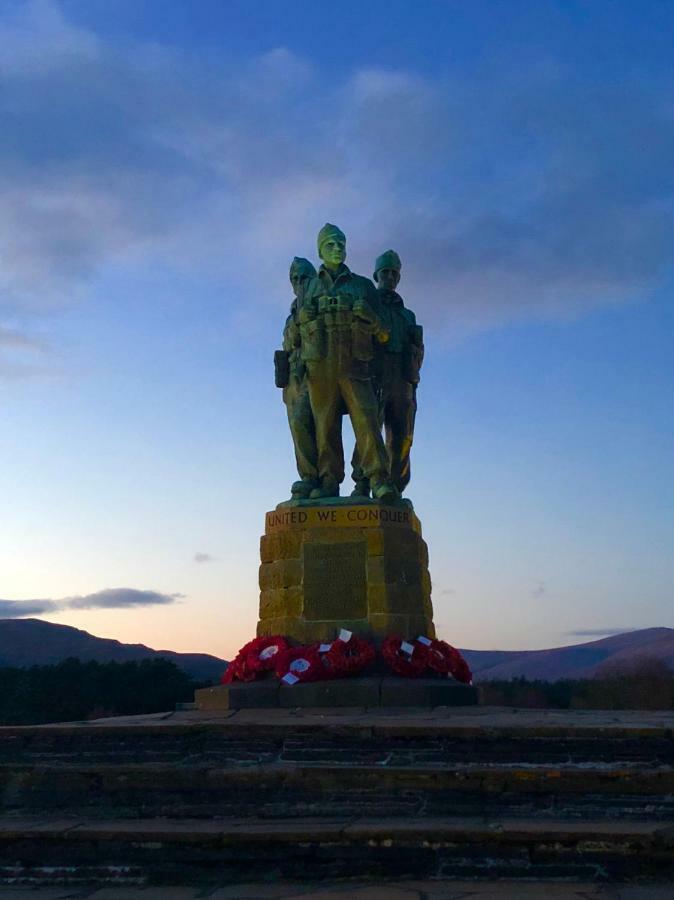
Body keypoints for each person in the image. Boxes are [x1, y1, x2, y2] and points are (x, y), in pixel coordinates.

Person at [299, 224, 398, 503]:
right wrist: (306, 317)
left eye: (341, 243)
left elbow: (385, 335)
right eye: (330, 244)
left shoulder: (364, 286)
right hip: (320, 364)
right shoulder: (309, 288)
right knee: (325, 425)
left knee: (366, 420)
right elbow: (297, 332)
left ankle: (378, 479)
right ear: (320, 250)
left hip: (356, 363)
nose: (338, 248)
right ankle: (329, 481)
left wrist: (371, 318)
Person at [352, 250, 423, 498]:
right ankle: (363, 482)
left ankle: (395, 487)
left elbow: (417, 351)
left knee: (403, 437)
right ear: (376, 276)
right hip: (375, 373)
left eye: (394, 273)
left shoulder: (407, 315)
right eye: (385, 272)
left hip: (402, 380)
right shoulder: (370, 306)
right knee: (370, 429)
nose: (390, 277)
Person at [275, 258, 319, 500]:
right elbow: (290, 342)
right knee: (299, 426)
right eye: (296, 279)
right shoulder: (292, 313)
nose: (300, 283)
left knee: (320, 427)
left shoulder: (316, 306)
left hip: (317, 372)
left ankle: (325, 479)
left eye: (304, 278)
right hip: (294, 377)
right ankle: (309, 477)